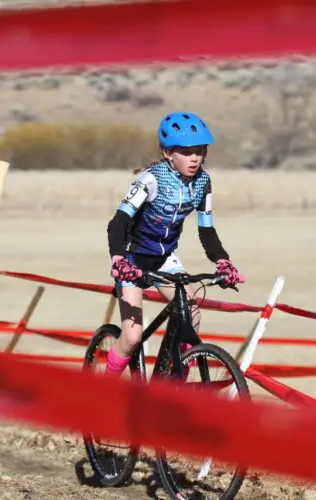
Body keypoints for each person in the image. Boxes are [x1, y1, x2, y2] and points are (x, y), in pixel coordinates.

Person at [104, 111, 245, 378]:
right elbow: (118, 223)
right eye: (186, 152)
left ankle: (171, 383)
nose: (195, 158)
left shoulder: (203, 182)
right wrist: (118, 259)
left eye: (200, 151)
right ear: (169, 153)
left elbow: (207, 230)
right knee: (132, 337)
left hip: (165, 258)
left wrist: (223, 261)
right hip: (133, 260)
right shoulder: (151, 179)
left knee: (191, 316)